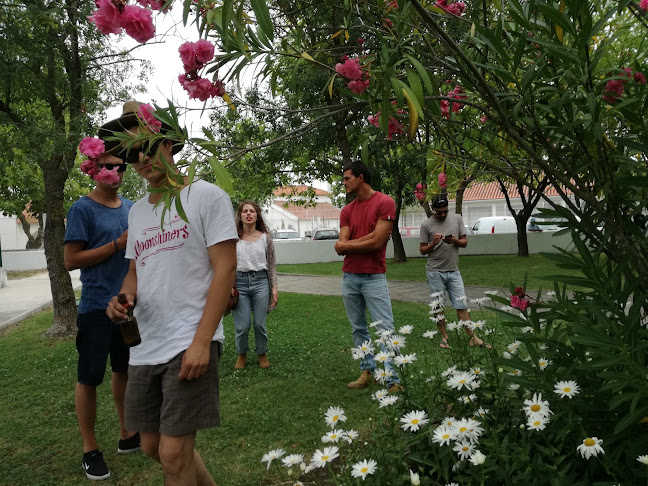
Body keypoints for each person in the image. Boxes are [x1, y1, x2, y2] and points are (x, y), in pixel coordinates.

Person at [104, 101, 238, 486]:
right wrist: (124, 299)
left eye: (146, 145)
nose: (140, 158)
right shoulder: (137, 212)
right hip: (146, 342)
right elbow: (135, 271)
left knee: (173, 454)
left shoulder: (206, 196)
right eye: (131, 153)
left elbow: (225, 269)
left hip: (189, 338)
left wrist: (201, 342)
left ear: (168, 142)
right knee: (152, 447)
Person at [64, 141, 139, 480]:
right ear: (94, 169)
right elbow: (70, 261)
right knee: (90, 377)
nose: (116, 172)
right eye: (109, 166)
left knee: (124, 371)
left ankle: (127, 435)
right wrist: (115, 245)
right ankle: (89, 448)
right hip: (95, 308)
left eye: (122, 167)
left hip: (128, 308)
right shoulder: (82, 209)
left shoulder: (134, 208)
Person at [334, 161, 399, 390]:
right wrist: (367, 239)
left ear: (360, 178)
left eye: (347, 178)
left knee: (385, 328)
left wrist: (353, 243)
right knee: (358, 328)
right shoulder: (347, 210)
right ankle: (367, 371)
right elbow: (344, 244)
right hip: (350, 276)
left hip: (374, 276)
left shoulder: (384, 202)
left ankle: (392, 380)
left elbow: (376, 242)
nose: (344, 183)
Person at [419, 193, 489, 349]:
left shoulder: (457, 219)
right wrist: (433, 243)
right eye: (439, 212)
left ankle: (473, 337)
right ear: (432, 208)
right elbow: (422, 250)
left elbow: (464, 242)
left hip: (453, 271)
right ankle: (444, 337)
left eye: (445, 211)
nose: (443, 214)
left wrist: (454, 241)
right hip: (435, 271)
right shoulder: (426, 225)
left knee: (461, 305)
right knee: (438, 306)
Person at [231, 200, 278, 370]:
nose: (249, 214)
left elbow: (271, 264)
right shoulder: (233, 238)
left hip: (260, 283)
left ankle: (262, 354)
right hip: (240, 283)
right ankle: (241, 354)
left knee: (259, 324)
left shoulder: (265, 239)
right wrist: (230, 284)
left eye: (252, 211)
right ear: (240, 215)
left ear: (257, 215)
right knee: (243, 326)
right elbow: (228, 263)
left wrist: (274, 287)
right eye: (245, 211)